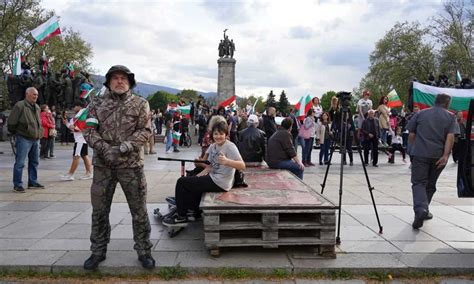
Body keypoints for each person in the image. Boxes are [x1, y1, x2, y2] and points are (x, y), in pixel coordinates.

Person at [82, 65, 155, 270]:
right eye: (115, 78)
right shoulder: (96, 103)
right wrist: (104, 147)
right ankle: (97, 251)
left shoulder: (141, 104)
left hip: (131, 166)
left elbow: (145, 130)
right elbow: (89, 130)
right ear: (109, 82)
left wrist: (125, 147)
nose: (120, 81)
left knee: (139, 210)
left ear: (130, 82)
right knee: (99, 211)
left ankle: (144, 250)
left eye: (124, 78)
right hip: (103, 166)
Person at [163, 120, 245, 226]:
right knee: (190, 180)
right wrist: (198, 174)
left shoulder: (230, 146)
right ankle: (193, 211)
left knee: (181, 182)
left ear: (226, 134)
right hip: (214, 177)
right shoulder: (213, 146)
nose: (218, 136)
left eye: (221, 134)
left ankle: (181, 216)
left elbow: (242, 165)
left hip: (221, 182)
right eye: (216, 134)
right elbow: (211, 166)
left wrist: (227, 161)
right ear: (212, 134)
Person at [406, 93, 457, 229]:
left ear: (435, 101)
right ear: (447, 103)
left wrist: (413, 149)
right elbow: (450, 137)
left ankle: (421, 210)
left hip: (420, 154)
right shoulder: (450, 116)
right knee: (430, 185)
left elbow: (411, 134)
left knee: (418, 183)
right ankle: (423, 210)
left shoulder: (421, 114)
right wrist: (446, 156)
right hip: (438, 155)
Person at [7, 87, 45, 192]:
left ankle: (33, 181)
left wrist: (40, 132)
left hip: (36, 138)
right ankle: (18, 184)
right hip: (24, 138)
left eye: (36, 95)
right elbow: (11, 122)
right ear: (27, 94)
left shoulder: (37, 107)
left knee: (35, 161)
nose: (36, 97)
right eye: (34, 94)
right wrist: (16, 133)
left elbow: (38, 122)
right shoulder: (20, 105)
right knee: (20, 162)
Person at [60, 101, 93, 181]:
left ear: (79, 106)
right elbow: (73, 127)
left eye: (74, 107)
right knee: (84, 156)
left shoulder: (82, 114)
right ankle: (89, 173)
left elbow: (79, 129)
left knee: (76, 156)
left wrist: (71, 126)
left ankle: (71, 174)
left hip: (80, 140)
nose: (73, 109)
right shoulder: (79, 115)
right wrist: (67, 124)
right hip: (81, 139)